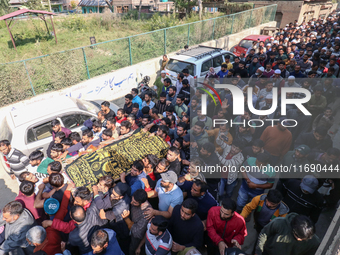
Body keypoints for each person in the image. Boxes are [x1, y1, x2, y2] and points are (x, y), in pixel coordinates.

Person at [255, 213, 320, 255]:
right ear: (293, 229)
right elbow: (264, 233)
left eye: (303, 239)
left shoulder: (314, 243)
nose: (299, 239)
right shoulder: (279, 223)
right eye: (297, 236)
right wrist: (258, 252)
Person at [121, 189, 152, 255]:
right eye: (132, 200)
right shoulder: (136, 199)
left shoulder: (146, 214)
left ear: (142, 203)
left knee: (133, 248)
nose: (131, 203)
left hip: (137, 238)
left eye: (135, 202)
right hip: (132, 226)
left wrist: (126, 219)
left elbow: (137, 233)